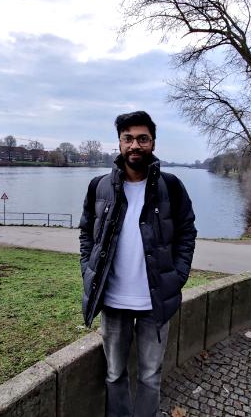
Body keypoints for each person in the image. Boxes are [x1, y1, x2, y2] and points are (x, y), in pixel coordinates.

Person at [79, 111, 197, 417]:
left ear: (153, 143)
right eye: (128, 138)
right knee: (114, 374)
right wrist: (88, 270)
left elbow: (186, 232)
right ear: (119, 143)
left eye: (142, 139)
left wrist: (177, 275)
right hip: (113, 301)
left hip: (154, 303)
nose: (135, 145)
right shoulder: (99, 187)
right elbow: (86, 233)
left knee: (150, 377)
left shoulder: (171, 187)